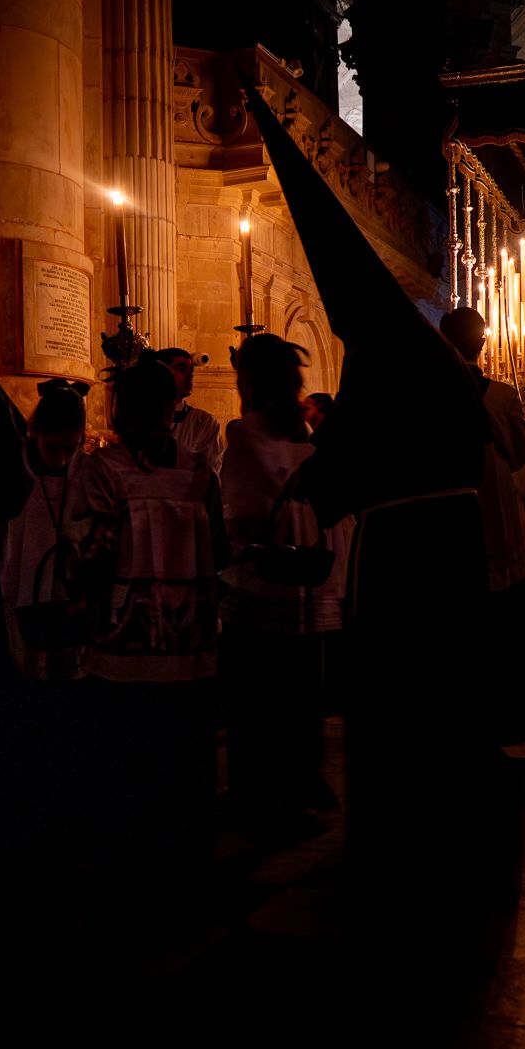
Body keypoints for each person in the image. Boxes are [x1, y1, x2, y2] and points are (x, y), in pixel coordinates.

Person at [63, 352, 230, 931]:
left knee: (132, 769)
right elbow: (223, 554)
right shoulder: (197, 474)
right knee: (185, 771)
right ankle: (184, 875)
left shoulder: (103, 471)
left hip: (125, 651)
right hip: (189, 650)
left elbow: (84, 553)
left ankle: (133, 882)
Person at [218, 334, 348, 843]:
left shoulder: (250, 437)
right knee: (294, 694)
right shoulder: (302, 436)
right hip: (300, 584)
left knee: (264, 697)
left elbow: (245, 514)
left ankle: (271, 791)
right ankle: (289, 784)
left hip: (268, 581)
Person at [441, 306, 525, 745]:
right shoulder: (499, 395)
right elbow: (518, 455)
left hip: (445, 515)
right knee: (500, 631)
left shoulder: (426, 392)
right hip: (492, 510)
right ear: (481, 343)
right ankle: (498, 728)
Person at [0, 378, 92, 684]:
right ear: (36, 431)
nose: (62, 458)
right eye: (53, 447)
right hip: (19, 585)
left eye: (71, 448)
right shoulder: (14, 468)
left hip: (70, 595)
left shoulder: (88, 472)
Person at [152, 347, 226, 476]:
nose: (190, 375)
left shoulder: (204, 423)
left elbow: (210, 471)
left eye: (191, 371)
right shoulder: (141, 418)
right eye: (181, 369)